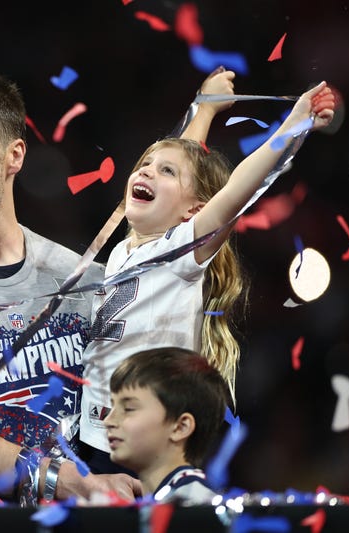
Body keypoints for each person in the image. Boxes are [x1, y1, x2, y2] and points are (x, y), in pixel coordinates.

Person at [0, 67, 233, 504]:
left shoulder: (83, 278)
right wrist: (58, 480)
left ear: (14, 156)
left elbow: (174, 223)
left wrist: (203, 113)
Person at [79, 82, 335, 473]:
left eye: (164, 171)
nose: (147, 171)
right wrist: (206, 110)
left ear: (193, 212)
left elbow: (236, 191)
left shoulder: (181, 251)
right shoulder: (124, 249)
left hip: (141, 439)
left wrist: (293, 125)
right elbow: (183, 165)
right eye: (144, 164)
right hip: (94, 432)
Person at [103, 346, 231, 503]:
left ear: (180, 427)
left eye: (129, 409)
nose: (108, 421)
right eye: (112, 406)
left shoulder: (195, 507)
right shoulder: (162, 501)